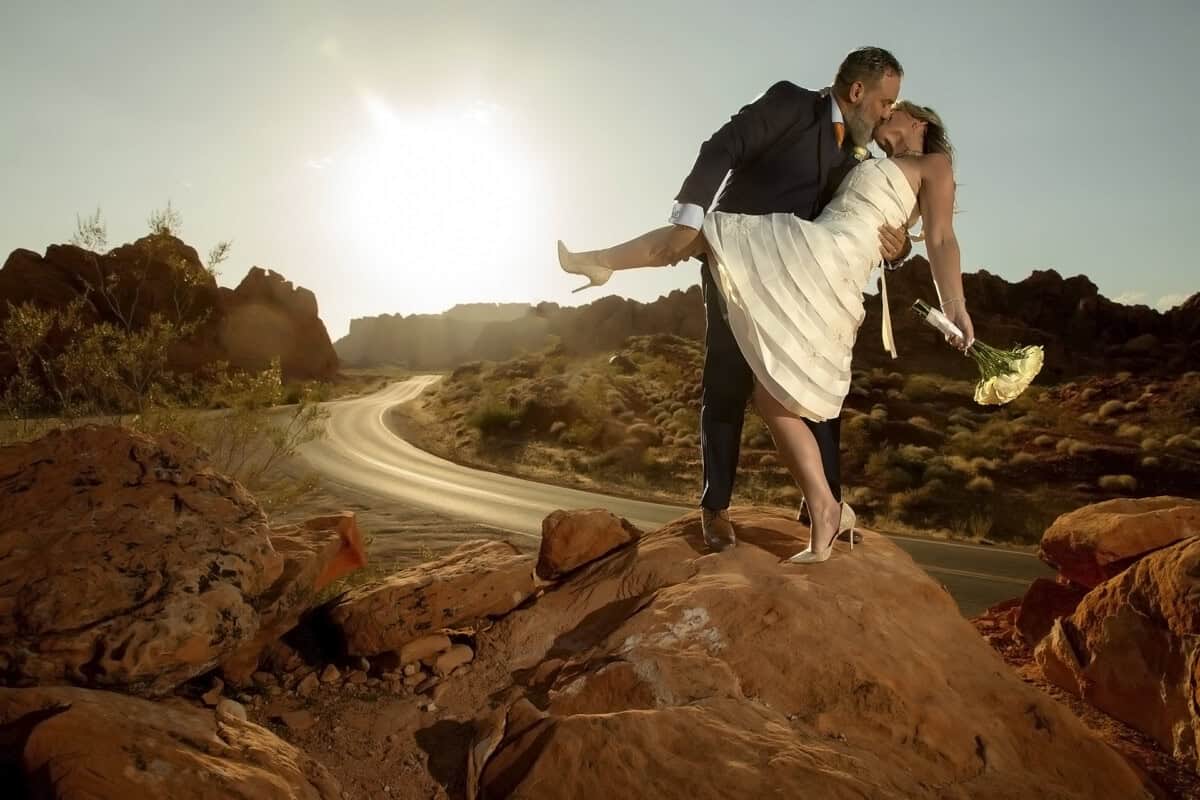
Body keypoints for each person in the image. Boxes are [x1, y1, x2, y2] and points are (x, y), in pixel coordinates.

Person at [558, 89, 974, 564]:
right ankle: (825, 508)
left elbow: (941, 238)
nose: (885, 114)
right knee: (773, 396)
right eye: (884, 104)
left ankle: (600, 262)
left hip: (827, 257)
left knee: (708, 233)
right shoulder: (852, 147)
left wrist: (953, 304)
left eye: (893, 108)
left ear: (918, 121)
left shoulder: (935, 164)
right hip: (816, 254)